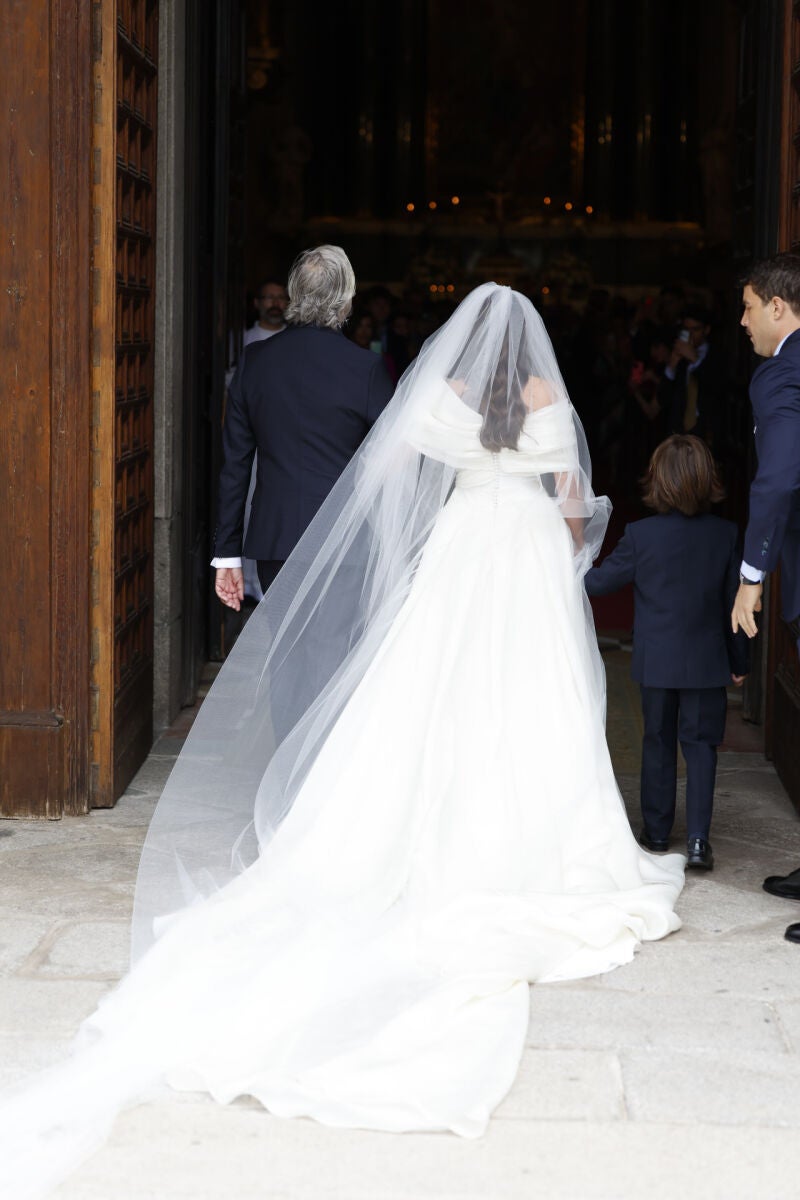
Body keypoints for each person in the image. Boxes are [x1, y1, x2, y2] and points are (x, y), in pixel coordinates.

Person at [0, 286, 685, 1196]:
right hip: (519, 548)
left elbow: (388, 468)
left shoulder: (441, 399)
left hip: (459, 548)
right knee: (533, 694)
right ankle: (536, 834)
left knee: (433, 691)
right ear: (533, 351)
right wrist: (567, 554)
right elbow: (569, 502)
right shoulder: (548, 404)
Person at [585, 435, 749, 869]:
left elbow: (599, 584)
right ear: (707, 480)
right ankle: (698, 842)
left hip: (656, 663)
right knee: (701, 748)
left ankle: (656, 834)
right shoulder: (726, 535)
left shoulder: (641, 536)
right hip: (707, 664)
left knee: (656, 742)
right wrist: (740, 662)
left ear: (658, 481)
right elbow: (736, 605)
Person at [212, 245, 394, 607]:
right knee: (337, 658)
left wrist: (228, 554)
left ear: (295, 294)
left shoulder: (256, 361)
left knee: (283, 655)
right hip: (345, 539)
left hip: (275, 540)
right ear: (347, 299)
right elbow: (390, 459)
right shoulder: (367, 368)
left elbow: (235, 464)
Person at [733, 253, 800, 943]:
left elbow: (778, 480)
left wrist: (752, 575)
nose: (743, 319)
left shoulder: (781, 370)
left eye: (749, 306)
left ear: (778, 306)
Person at [242, 279, 288, 347]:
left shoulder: (296, 338)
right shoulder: (244, 340)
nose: (275, 303)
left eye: (281, 298)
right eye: (270, 297)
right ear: (256, 303)